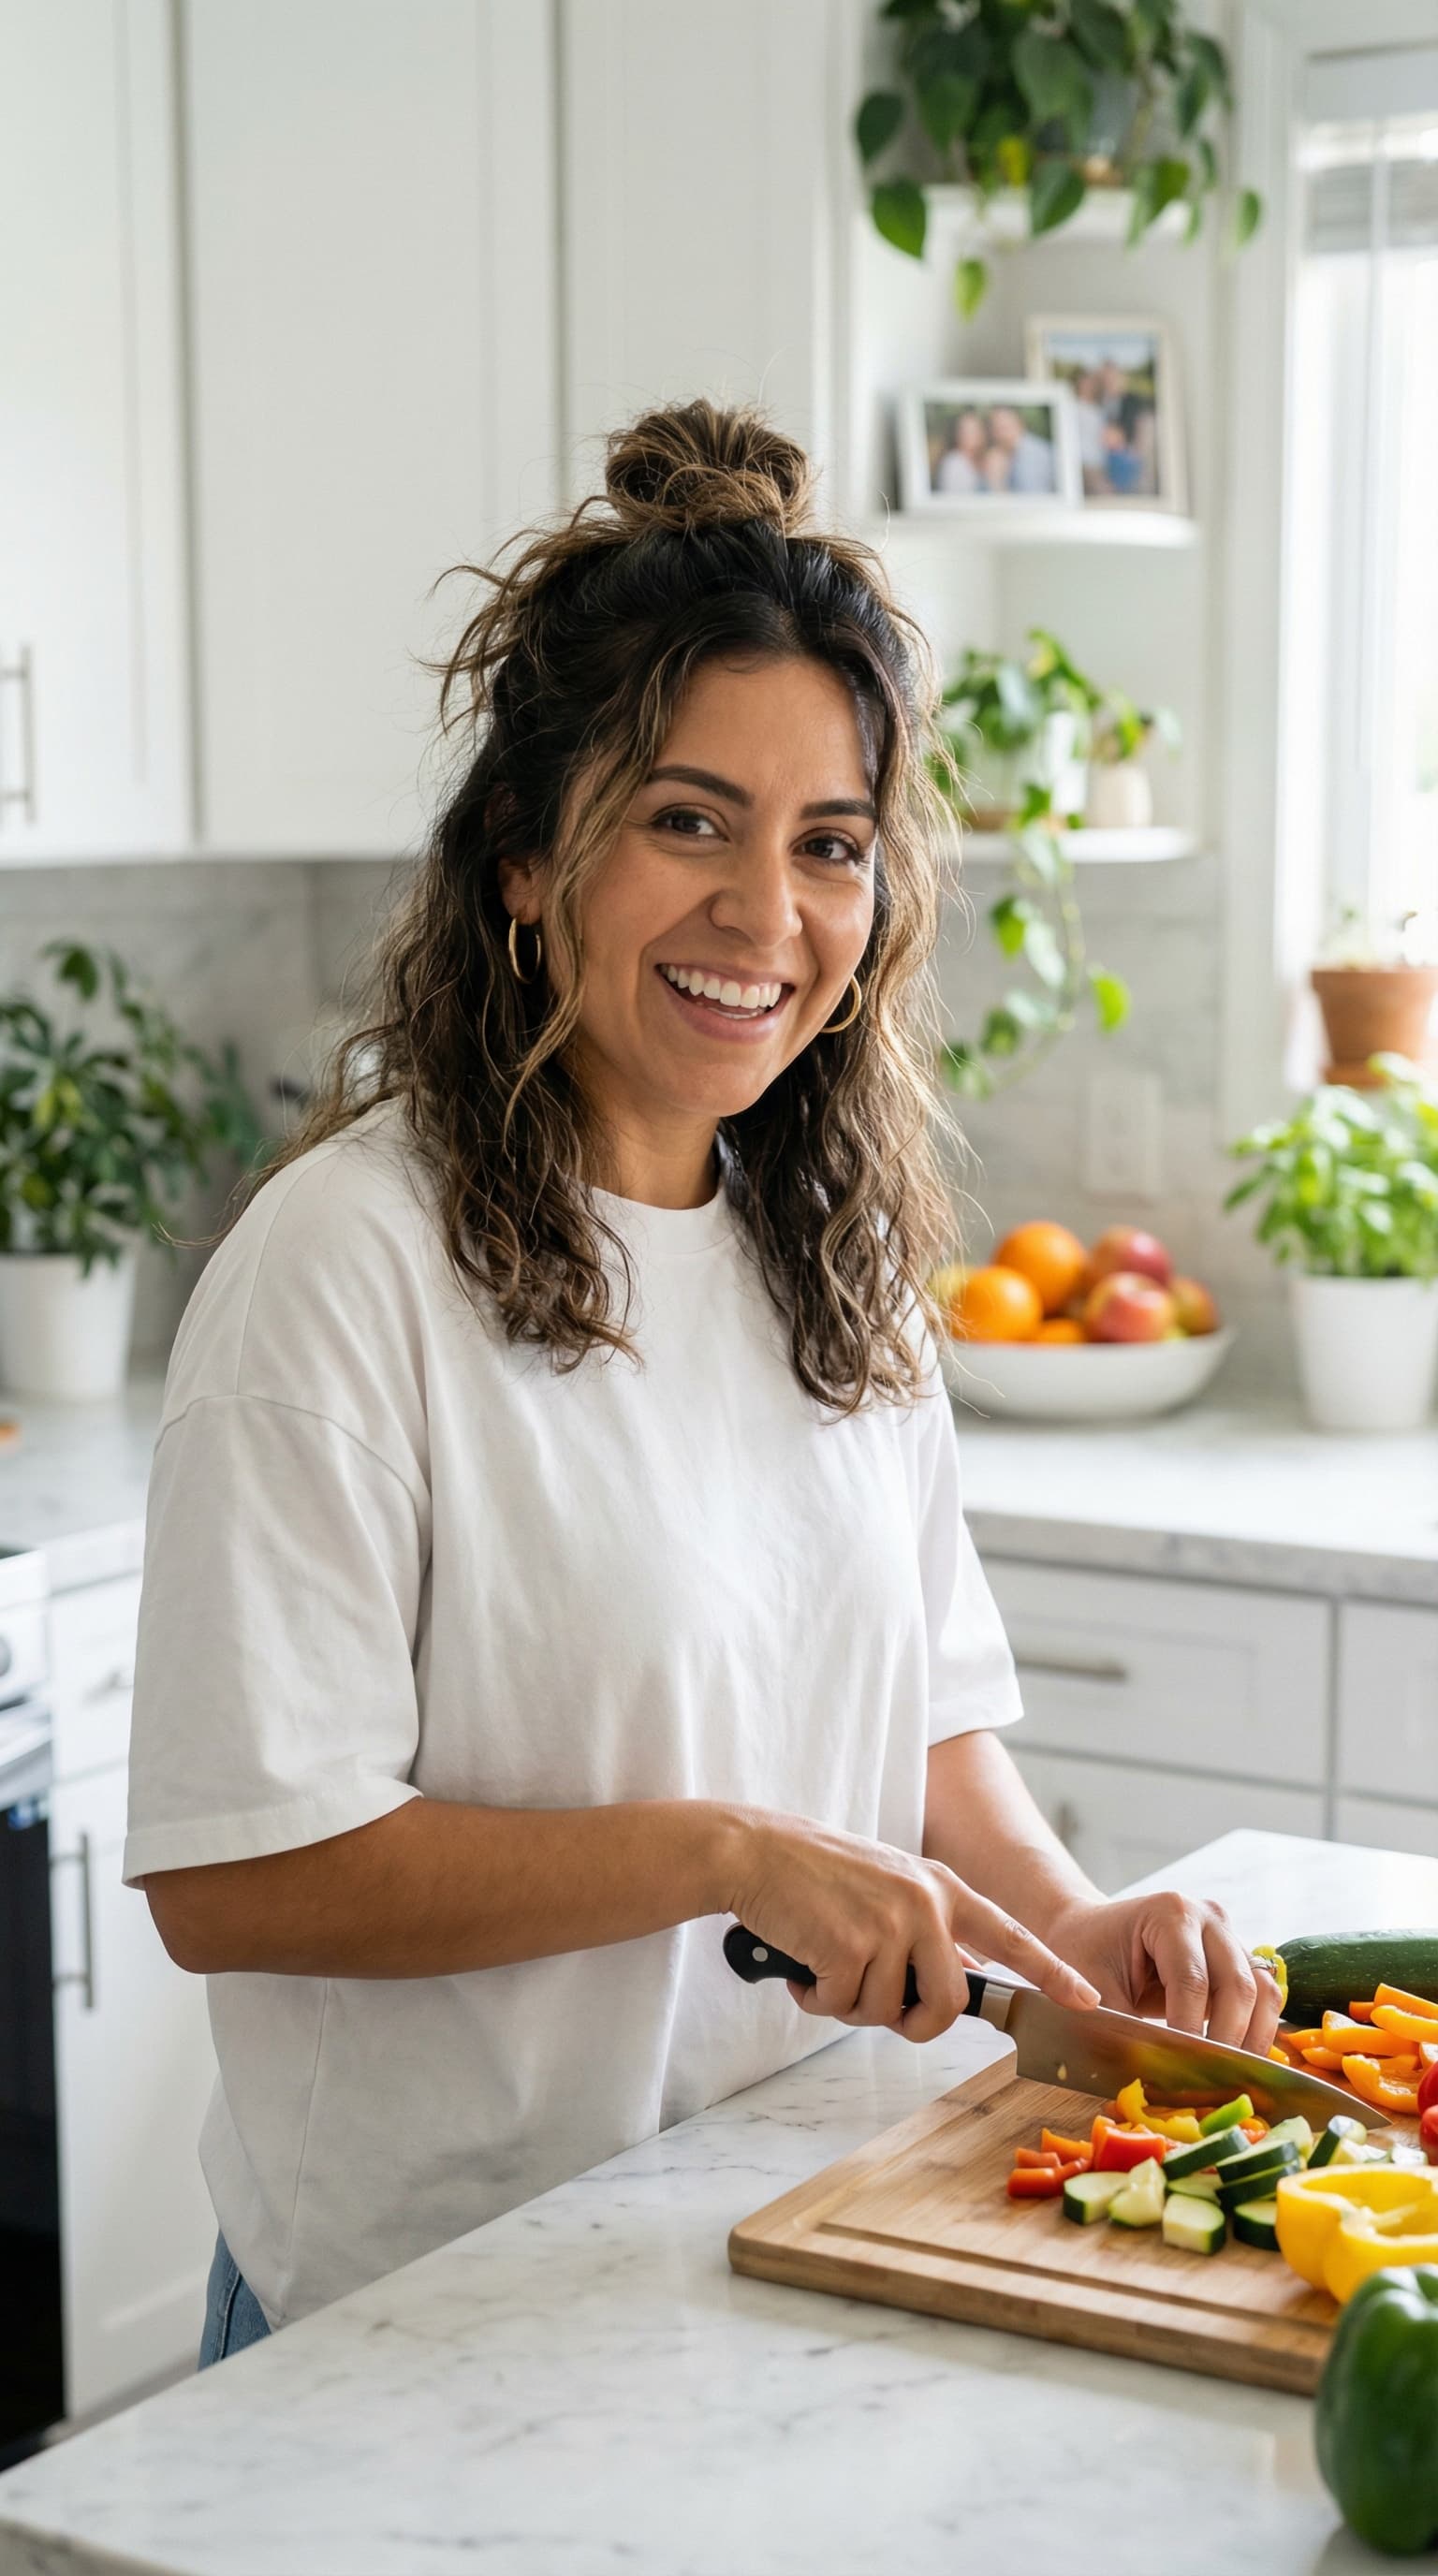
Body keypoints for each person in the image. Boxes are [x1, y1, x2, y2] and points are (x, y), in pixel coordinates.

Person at [125, 400, 1283, 2364]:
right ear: (520, 856)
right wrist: (724, 1852)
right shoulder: (341, 1268)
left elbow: (919, 1730)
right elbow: (236, 1875)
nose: (769, 913)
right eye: (688, 820)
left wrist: (1076, 1938)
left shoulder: (829, 1262)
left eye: (829, 844)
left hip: (749, 2250)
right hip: (406, 2323)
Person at [989, 403, 1056, 495]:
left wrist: (997, 482)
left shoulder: (1034, 454)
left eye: (1004, 427)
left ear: (1020, 424)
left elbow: (1030, 500)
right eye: (995, 429)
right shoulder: (1008, 455)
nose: (999, 434)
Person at [932, 408, 984, 495]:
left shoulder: (982, 459)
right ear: (957, 434)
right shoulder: (953, 462)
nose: (969, 435)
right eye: (965, 430)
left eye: (974, 429)